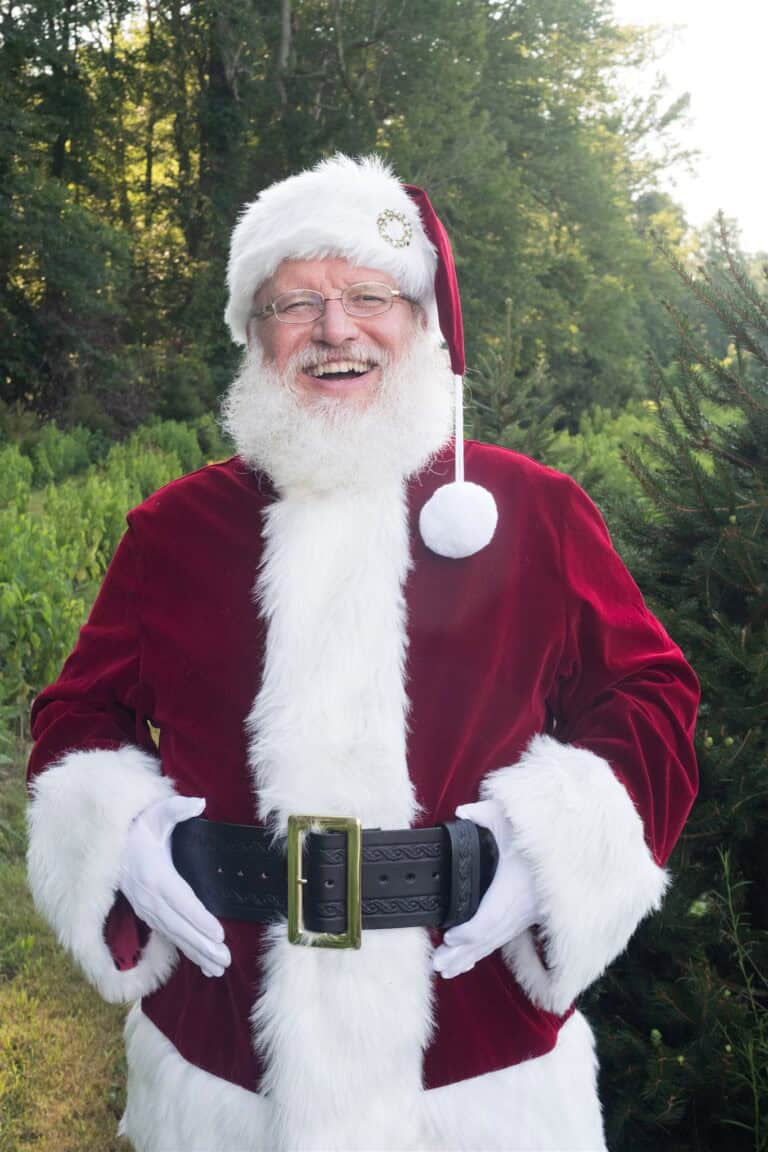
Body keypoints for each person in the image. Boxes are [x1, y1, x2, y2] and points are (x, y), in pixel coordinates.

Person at [26, 154, 699, 1152]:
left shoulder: (535, 511)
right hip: (226, 1055)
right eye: (296, 302)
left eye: (367, 296)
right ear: (257, 334)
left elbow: (650, 695)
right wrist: (117, 834)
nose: (335, 330)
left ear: (420, 319)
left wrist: (554, 844)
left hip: (477, 1058)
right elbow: (77, 713)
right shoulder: (176, 529)